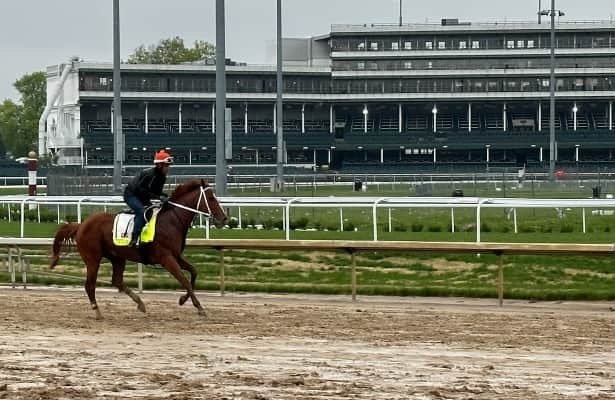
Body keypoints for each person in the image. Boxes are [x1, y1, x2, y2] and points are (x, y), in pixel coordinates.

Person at [123, 149, 173, 247]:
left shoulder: (162, 177)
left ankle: (145, 236)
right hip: (131, 194)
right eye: (166, 166)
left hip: (142, 196)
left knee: (150, 212)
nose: (168, 168)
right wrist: (159, 197)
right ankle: (134, 238)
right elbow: (141, 190)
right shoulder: (148, 174)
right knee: (142, 212)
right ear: (159, 165)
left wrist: (165, 196)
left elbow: (157, 192)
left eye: (168, 166)